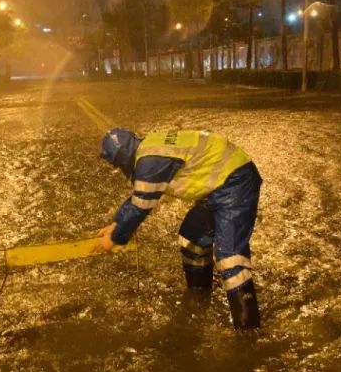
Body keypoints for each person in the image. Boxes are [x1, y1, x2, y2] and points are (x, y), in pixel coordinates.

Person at [95, 128, 263, 329]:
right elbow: (139, 196)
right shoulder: (149, 150)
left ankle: (248, 331)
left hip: (235, 183)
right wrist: (116, 223)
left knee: (230, 259)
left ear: (120, 159)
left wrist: (115, 237)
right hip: (221, 184)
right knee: (192, 240)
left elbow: (140, 205)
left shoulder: (149, 163)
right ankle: (200, 298)